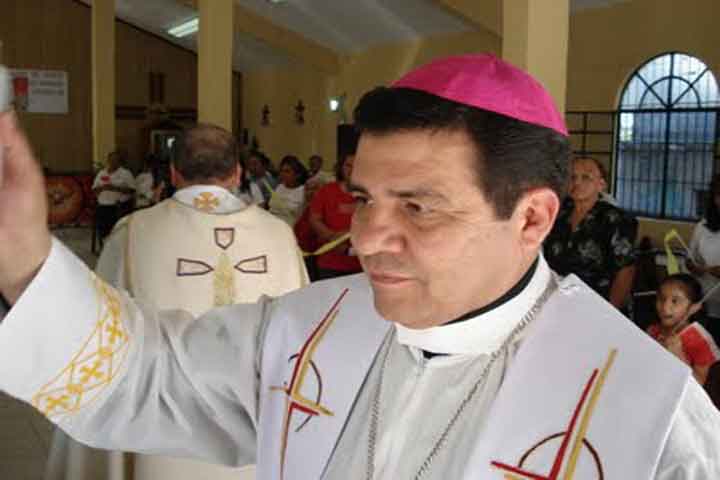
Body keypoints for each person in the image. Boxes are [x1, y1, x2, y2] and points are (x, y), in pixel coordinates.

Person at [1, 54, 719, 480]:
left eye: (419, 207)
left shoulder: (649, 412)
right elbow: (148, 376)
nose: (368, 237)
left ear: (532, 218)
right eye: (365, 198)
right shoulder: (305, 327)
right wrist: (22, 255)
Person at [58, 124, 308, 480]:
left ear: (174, 173)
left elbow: (100, 334)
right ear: (237, 172)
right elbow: (304, 334)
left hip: (162, 415)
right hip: (254, 413)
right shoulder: (278, 234)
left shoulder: (134, 233)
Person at [544, 156, 638, 310]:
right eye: (572, 177)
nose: (577, 182)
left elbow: (626, 270)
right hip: (556, 302)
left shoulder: (616, 219)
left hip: (597, 305)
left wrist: (610, 311)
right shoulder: (557, 214)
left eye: (586, 177)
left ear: (601, 185)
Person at [647, 273, 720, 385]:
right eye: (661, 299)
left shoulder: (701, 341)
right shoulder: (653, 330)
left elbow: (699, 386)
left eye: (675, 301)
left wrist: (679, 357)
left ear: (694, 307)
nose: (665, 307)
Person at [309, 150, 361, 279]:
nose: (352, 170)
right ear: (341, 168)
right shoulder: (326, 191)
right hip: (330, 263)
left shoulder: (370, 193)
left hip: (361, 265)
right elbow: (315, 220)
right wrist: (334, 237)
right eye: (348, 165)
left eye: (357, 166)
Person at [688, 174, 720, 343]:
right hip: (704, 304)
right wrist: (693, 266)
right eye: (718, 194)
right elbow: (690, 258)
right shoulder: (703, 226)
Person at [92, 150, 136, 242]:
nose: (113, 162)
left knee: (116, 232)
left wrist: (115, 188)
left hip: (118, 207)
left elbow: (132, 190)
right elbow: (94, 189)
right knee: (103, 232)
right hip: (102, 206)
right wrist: (102, 188)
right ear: (108, 160)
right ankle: (104, 245)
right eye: (111, 160)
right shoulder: (102, 173)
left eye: (115, 160)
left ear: (119, 161)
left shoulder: (125, 173)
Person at [268, 155, 307, 226]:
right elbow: (271, 208)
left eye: (287, 171)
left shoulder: (303, 191)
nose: (283, 174)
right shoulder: (279, 187)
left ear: (297, 174)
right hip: (272, 224)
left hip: (290, 227)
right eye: (281, 171)